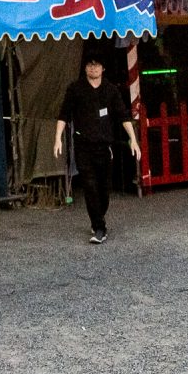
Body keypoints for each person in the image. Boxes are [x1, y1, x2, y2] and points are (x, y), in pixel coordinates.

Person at [54, 51, 141, 243]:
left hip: (104, 146)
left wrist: (133, 140)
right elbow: (64, 115)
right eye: (89, 64)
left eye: (97, 64)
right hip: (83, 146)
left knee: (104, 189)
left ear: (103, 68)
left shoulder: (110, 90)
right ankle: (99, 228)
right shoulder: (75, 89)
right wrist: (57, 138)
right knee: (90, 186)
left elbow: (123, 116)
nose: (93, 68)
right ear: (85, 68)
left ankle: (98, 217)